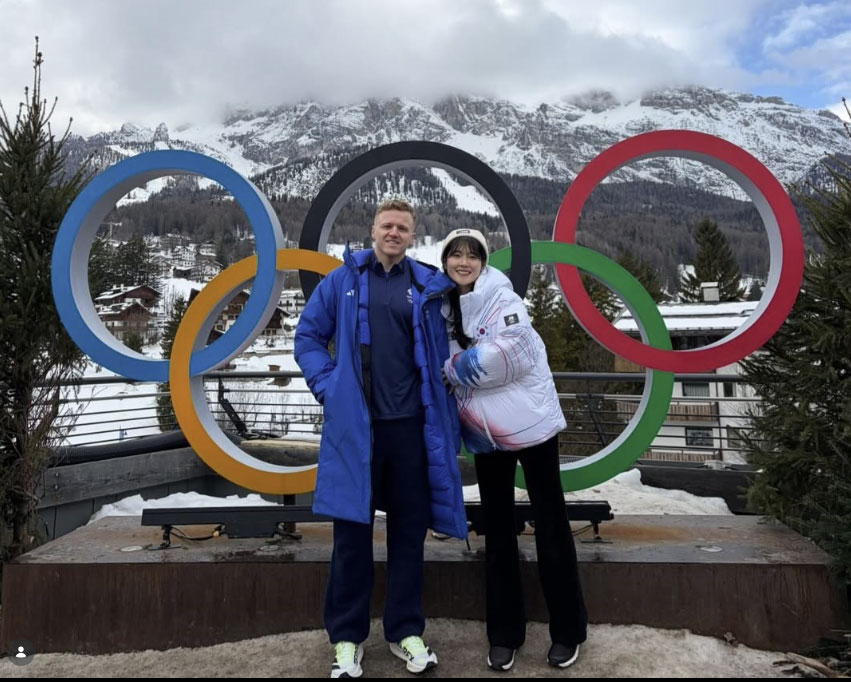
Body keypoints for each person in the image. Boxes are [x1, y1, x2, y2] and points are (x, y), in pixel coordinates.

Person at [295, 199, 467, 678]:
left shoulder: (427, 285)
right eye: (387, 225)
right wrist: (330, 386)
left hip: (411, 429)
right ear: (373, 230)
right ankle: (347, 638)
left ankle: (405, 631)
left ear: (412, 236)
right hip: (358, 431)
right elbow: (307, 338)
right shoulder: (342, 281)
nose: (394, 233)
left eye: (403, 228)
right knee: (352, 537)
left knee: (409, 535)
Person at [439, 228, 588, 672]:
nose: (463, 262)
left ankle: (568, 631)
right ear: (445, 261)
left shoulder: (503, 298)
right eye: (455, 255)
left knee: (551, 525)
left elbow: (509, 357)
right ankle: (504, 634)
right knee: (498, 532)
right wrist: (456, 368)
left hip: (532, 427)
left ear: (483, 262)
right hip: (485, 436)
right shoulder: (443, 308)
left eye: (472, 255)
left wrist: (453, 368)